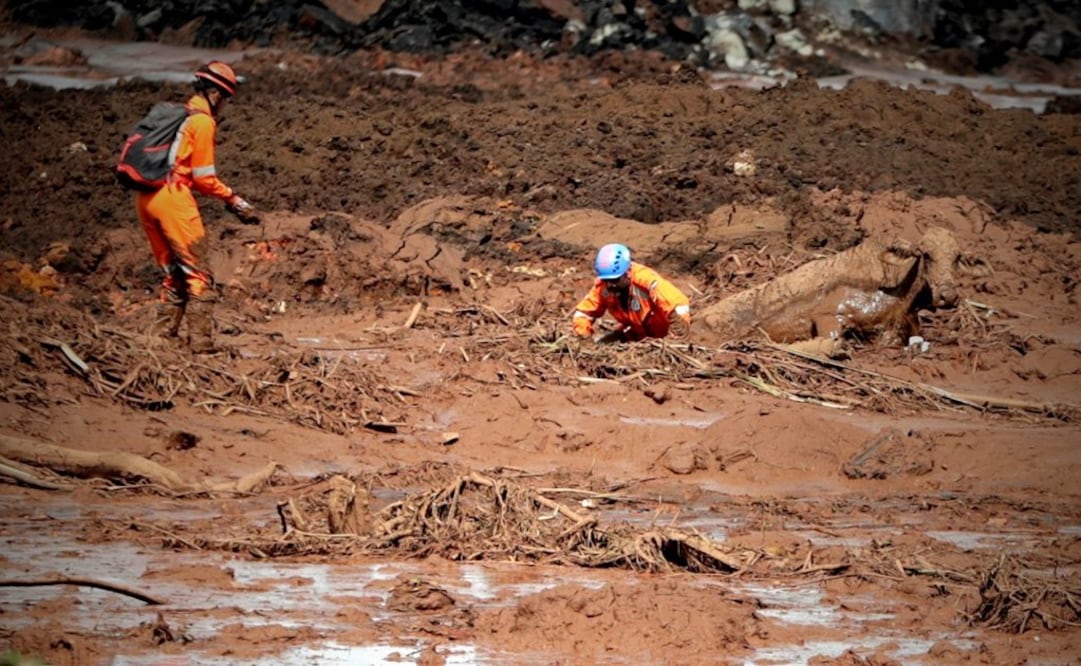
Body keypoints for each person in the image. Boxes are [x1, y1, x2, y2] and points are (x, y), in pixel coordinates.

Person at [134, 60, 259, 353]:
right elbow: (204, 179)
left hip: (145, 197)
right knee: (198, 274)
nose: (226, 105)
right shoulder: (202, 121)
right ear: (216, 94)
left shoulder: (178, 115)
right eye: (227, 99)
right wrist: (233, 198)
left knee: (173, 272)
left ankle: (162, 340)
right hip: (173, 197)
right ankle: (201, 345)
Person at [572, 243, 691, 342]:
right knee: (604, 342)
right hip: (636, 335)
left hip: (663, 335)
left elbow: (678, 305)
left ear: (627, 272)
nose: (610, 285)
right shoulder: (603, 286)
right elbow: (584, 313)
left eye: (615, 280)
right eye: (606, 280)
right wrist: (583, 336)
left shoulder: (646, 281)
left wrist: (675, 339)